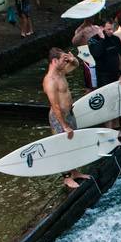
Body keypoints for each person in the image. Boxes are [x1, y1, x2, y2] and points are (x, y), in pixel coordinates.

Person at [43, 48, 92, 188]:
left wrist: (71, 59)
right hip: (59, 117)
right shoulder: (50, 81)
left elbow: (76, 65)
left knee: (73, 144)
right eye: (62, 60)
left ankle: (75, 172)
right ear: (54, 61)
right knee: (62, 146)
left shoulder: (61, 72)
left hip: (70, 113)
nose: (65, 62)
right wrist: (64, 125)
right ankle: (66, 177)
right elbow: (56, 106)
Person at [87, 21, 121, 133]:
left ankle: (118, 128)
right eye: (108, 29)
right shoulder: (93, 41)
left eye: (112, 29)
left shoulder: (115, 39)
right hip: (103, 77)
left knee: (117, 101)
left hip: (116, 74)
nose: (111, 31)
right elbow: (97, 54)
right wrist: (102, 38)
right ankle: (109, 131)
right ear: (101, 28)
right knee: (108, 104)